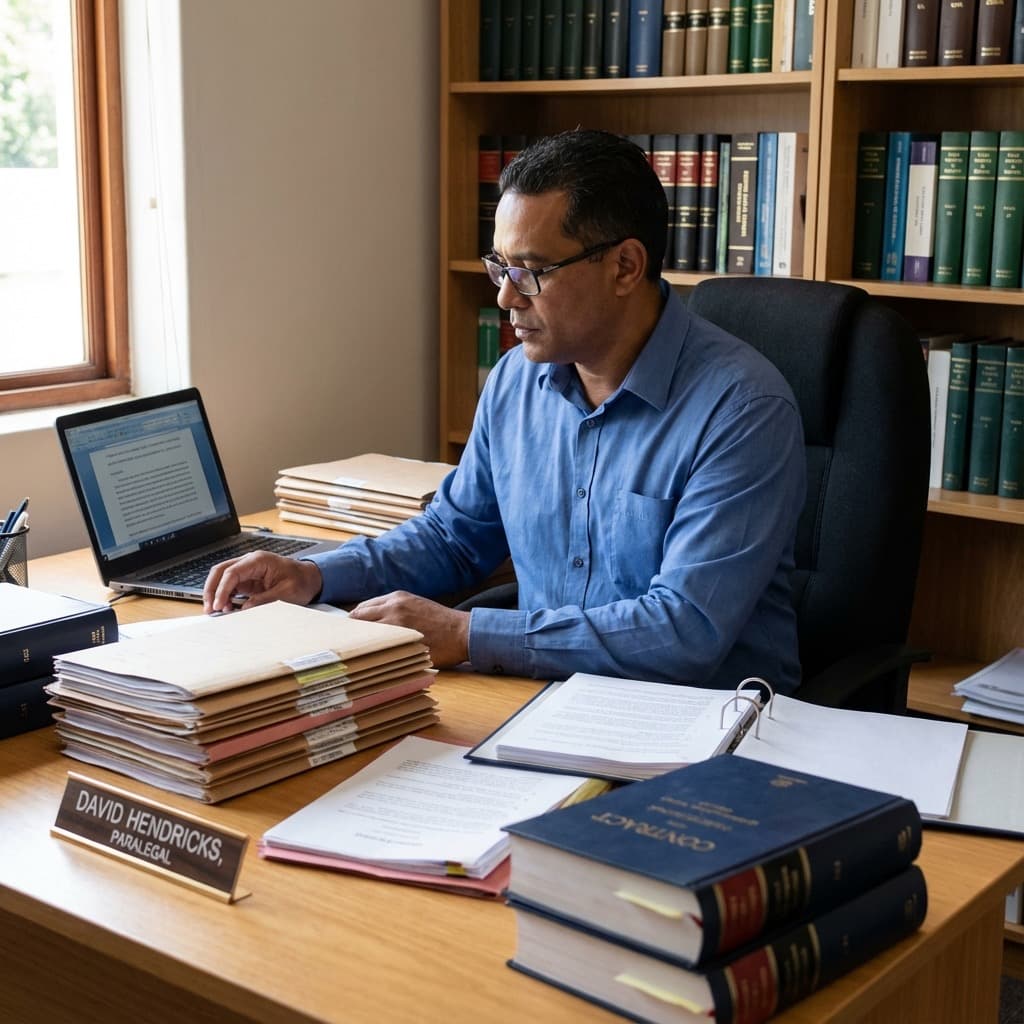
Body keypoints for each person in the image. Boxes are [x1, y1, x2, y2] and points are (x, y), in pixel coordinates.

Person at [204, 128, 806, 693]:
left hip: (706, 722)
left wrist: (465, 634)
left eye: (532, 271)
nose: (505, 296)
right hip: (545, 701)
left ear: (625, 266)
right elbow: (453, 539)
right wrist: (315, 577)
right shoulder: (517, 380)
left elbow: (684, 632)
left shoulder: (743, 409)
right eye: (500, 266)